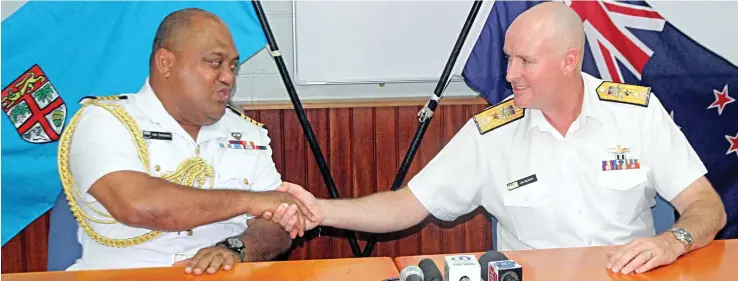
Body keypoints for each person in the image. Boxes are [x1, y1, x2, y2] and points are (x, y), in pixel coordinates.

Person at [264, 2, 727, 275]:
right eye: (508, 60)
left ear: (569, 62)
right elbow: (408, 204)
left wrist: (674, 241)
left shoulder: (637, 113)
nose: (509, 76)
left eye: (525, 62)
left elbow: (708, 207)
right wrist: (322, 210)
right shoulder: (492, 132)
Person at [58, 8, 312, 274]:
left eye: (232, 66)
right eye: (215, 62)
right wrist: (252, 201)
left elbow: (280, 222)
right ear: (166, 63)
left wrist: (236, 247)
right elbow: (137, 205)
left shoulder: (248, 134)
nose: (228, 77)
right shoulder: (105, 121)